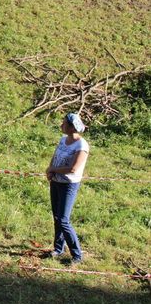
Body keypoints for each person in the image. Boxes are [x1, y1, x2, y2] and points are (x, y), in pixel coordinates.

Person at [46, 113, 90, 264]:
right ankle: (58, 248)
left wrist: (54, 170)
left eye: (64, 123)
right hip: (56, 182)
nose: (61, 125)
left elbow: (73, 168)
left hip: (68, 185)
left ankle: (77, 255)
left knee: (64, 220)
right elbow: (55, 156)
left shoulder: (82, 146)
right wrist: (50, 169)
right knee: (57, 217)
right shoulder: (63, 140)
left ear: (72, 128)